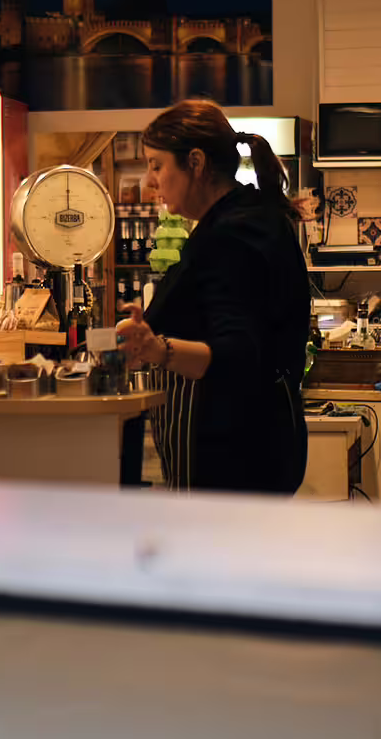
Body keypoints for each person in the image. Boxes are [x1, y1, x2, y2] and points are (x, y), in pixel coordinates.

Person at [117, 100, 310, 494]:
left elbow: (238, 355)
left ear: (196, 162)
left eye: (156, 165)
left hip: (234, 461)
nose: (149, 180)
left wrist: (159, 349)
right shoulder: (248, 217)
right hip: (258, 449)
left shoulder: (232, 235)